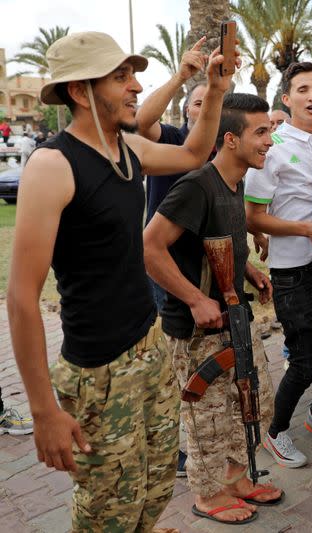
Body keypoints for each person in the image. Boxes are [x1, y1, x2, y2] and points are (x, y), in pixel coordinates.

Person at [6, 31, 234, 531]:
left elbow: (195, 152)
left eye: (132, 75)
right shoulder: (53, 165)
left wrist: (213, 91)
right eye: (120, 76)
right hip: (99, 372)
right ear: (77, 90)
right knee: (107, 510)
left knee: (152, 487)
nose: (135, 87)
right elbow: (22, 299)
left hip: (149, 345)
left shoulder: (125, 148)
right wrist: (43, 411)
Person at [143, 93, 283, 525]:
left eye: (269, 131)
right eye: (260, 133)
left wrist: (250, 272)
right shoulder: (197, 185)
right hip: (197, 330)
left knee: (256, 405)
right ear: (231, 139)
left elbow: (216, 245)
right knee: (206, 419)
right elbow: (150, 247)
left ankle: (237, 480)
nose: (269, 142)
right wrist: (195, 298)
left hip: (234, 319)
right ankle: (206, 496)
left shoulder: (234, 182)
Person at [244, 62, 312, 469]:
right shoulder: (274, 146)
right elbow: (253, 216)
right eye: (302, 89)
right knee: (303, 360)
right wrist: (306, 229)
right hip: (292, 271)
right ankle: (275, 431)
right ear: (286, 98)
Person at [136, 39, 211, 313]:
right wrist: (180, 77)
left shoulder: (224, 153)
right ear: (186, 111)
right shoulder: (169, 138)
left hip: (208, 261)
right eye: (198, 103)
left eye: (212, 103)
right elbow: (142, 121)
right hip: (165, 259)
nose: (205, 109)